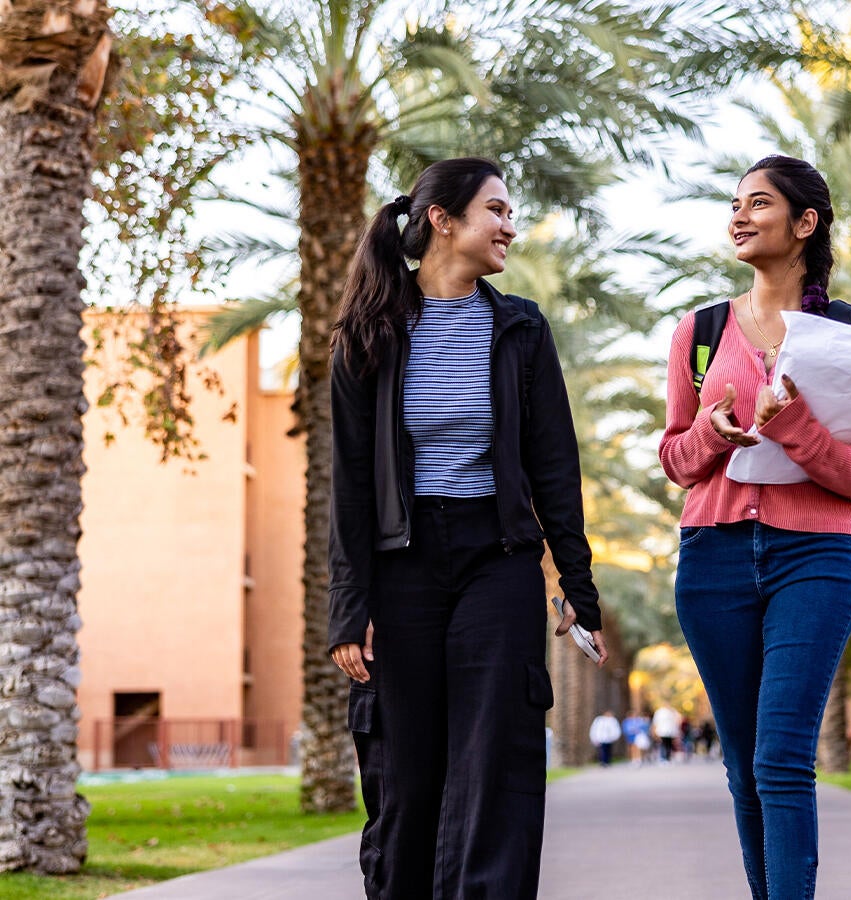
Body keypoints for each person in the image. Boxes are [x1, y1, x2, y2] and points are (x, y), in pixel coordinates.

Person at [327, 157, 608, 900]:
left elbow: (554, 465)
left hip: (498, 559)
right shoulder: (368, 334)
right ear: (442, 221)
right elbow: (350, 483)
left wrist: (575, 584)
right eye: (498, 209)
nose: (511, 225)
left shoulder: (519, 329)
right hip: (403, 566)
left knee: (496, 760)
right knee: (405, 767)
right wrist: (350, 609)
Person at [658, 155, 851, 900]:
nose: (739, 215)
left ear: (805, 222)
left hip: (815, 557)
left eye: (759, 203)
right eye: (734, 203)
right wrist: (714, 435)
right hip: (713, 559)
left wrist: (792, 428)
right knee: (743, 764)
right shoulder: (700, 333)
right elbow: (676, 458)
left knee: (782, 758)